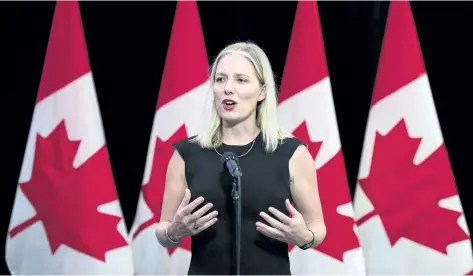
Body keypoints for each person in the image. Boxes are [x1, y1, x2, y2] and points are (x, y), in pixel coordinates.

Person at [155, 41, 326, 275]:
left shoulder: (292, 154)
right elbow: (163, 230)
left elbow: (317, 226)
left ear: (262, 92)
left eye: (241, 80)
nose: (228, 88)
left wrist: (305, 237)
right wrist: (174, 231)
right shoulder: (187, 154)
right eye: (220, 79)